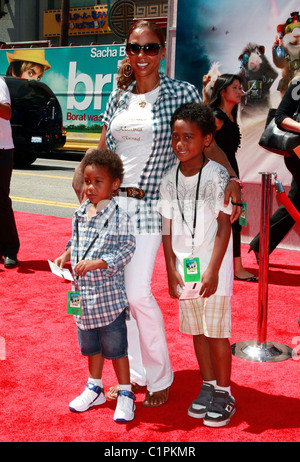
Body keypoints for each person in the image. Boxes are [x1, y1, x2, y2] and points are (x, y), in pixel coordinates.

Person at [72, 20, 242, 408]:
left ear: (162, 51)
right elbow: (101, 150)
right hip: (111, 208)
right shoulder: (118, 97)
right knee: (117, 297)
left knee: (136, 294)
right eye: (135, 48)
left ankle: (161, 374)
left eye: (150, 48)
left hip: (149, 206)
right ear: (127, 52)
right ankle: (133, 375)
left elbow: (203, 140)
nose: (142, 56)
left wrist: (231, 178)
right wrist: (82, 183)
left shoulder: (179, 91)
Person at [159, 102, 236, 427]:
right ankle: (207, 385)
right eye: (176, 137)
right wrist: (170, 268)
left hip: (212, 270)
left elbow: (223, 225)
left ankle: (224, 392)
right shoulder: (168, 177)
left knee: (217, 334)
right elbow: (166, 227)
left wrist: (214, 269)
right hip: (186, 269)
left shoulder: (216, 175)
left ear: (206, 139)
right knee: (197, 333)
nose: (180, 144)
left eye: (188, 137)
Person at [55, 148, 136, 422]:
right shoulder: (79, 213)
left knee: (116, 349)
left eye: (97, 181)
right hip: (81, 297)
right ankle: (95, 387)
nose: (90, 187)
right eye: (87, 181)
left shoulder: (119, 217)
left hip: (108, 299)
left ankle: (125, 393)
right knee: (91, 347)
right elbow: (75, 241)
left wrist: (99, 262)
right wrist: (67, 254)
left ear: (114, 185)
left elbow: (127, 249)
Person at [210, 74, 257, 281]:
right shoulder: (216, 117)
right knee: (223, 220)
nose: (240, 91)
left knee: (233, 220)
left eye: (241, 88)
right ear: (222, 91)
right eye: (235, 88)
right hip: (218, 176)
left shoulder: (229, 117)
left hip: (230, 175)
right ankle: (232, 267)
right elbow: (205, 146)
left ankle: (235, 266)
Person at [249, 71, 300, 259]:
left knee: (295, 201)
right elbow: (281, 117)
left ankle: (261, 244)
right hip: (298, 150)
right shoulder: (298, 85)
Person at [0, 76, 19, 268]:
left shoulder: (0, 83)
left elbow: (6, 113)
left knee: (1, 201)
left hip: (1, 149)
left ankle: (10, 249)